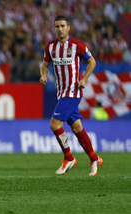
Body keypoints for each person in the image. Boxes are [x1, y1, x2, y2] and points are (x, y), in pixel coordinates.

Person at [39, 15, 103, 176]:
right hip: (61, 93)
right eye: (57, 26)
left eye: (62, 26)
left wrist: (85, 78)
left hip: (73, 92)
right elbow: (45, 64)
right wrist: (44, 75)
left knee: (54, 125)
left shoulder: (77, 46)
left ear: (69, 28)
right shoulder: (51, 47)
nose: (59, 29)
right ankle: (95, 159)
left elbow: (92, 61)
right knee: (77, 127)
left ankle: (69, 158)